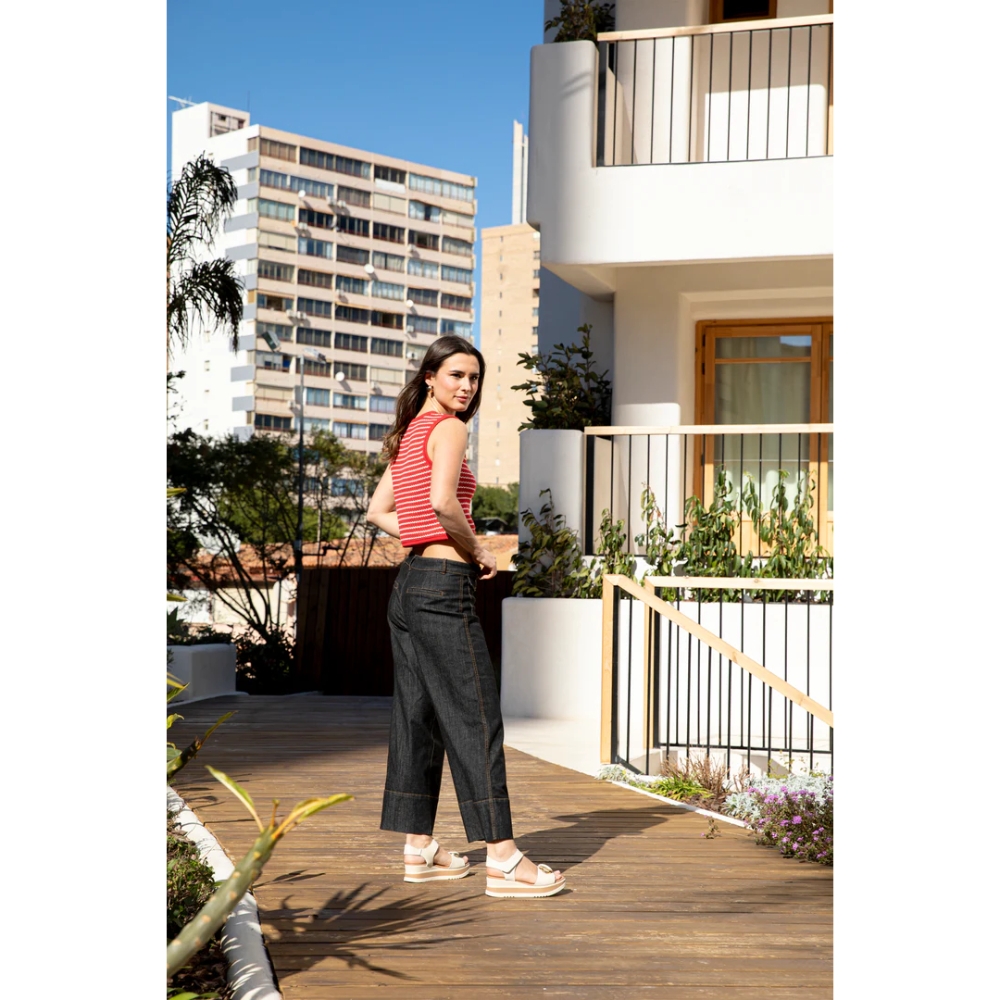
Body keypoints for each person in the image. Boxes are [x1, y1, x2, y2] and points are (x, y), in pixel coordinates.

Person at [366, 335, 566, 899]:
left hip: (409, 585)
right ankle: (503, 859)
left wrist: (424, 539)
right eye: (456, 375)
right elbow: (442, 501)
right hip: (442, 587)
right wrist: (477, 550)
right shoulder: (450, 429)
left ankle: (419, 848)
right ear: (430, 376)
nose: (467, 386)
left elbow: (378, 511)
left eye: (474, 378)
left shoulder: (411, 432)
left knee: (419, 715)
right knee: (475, 716)